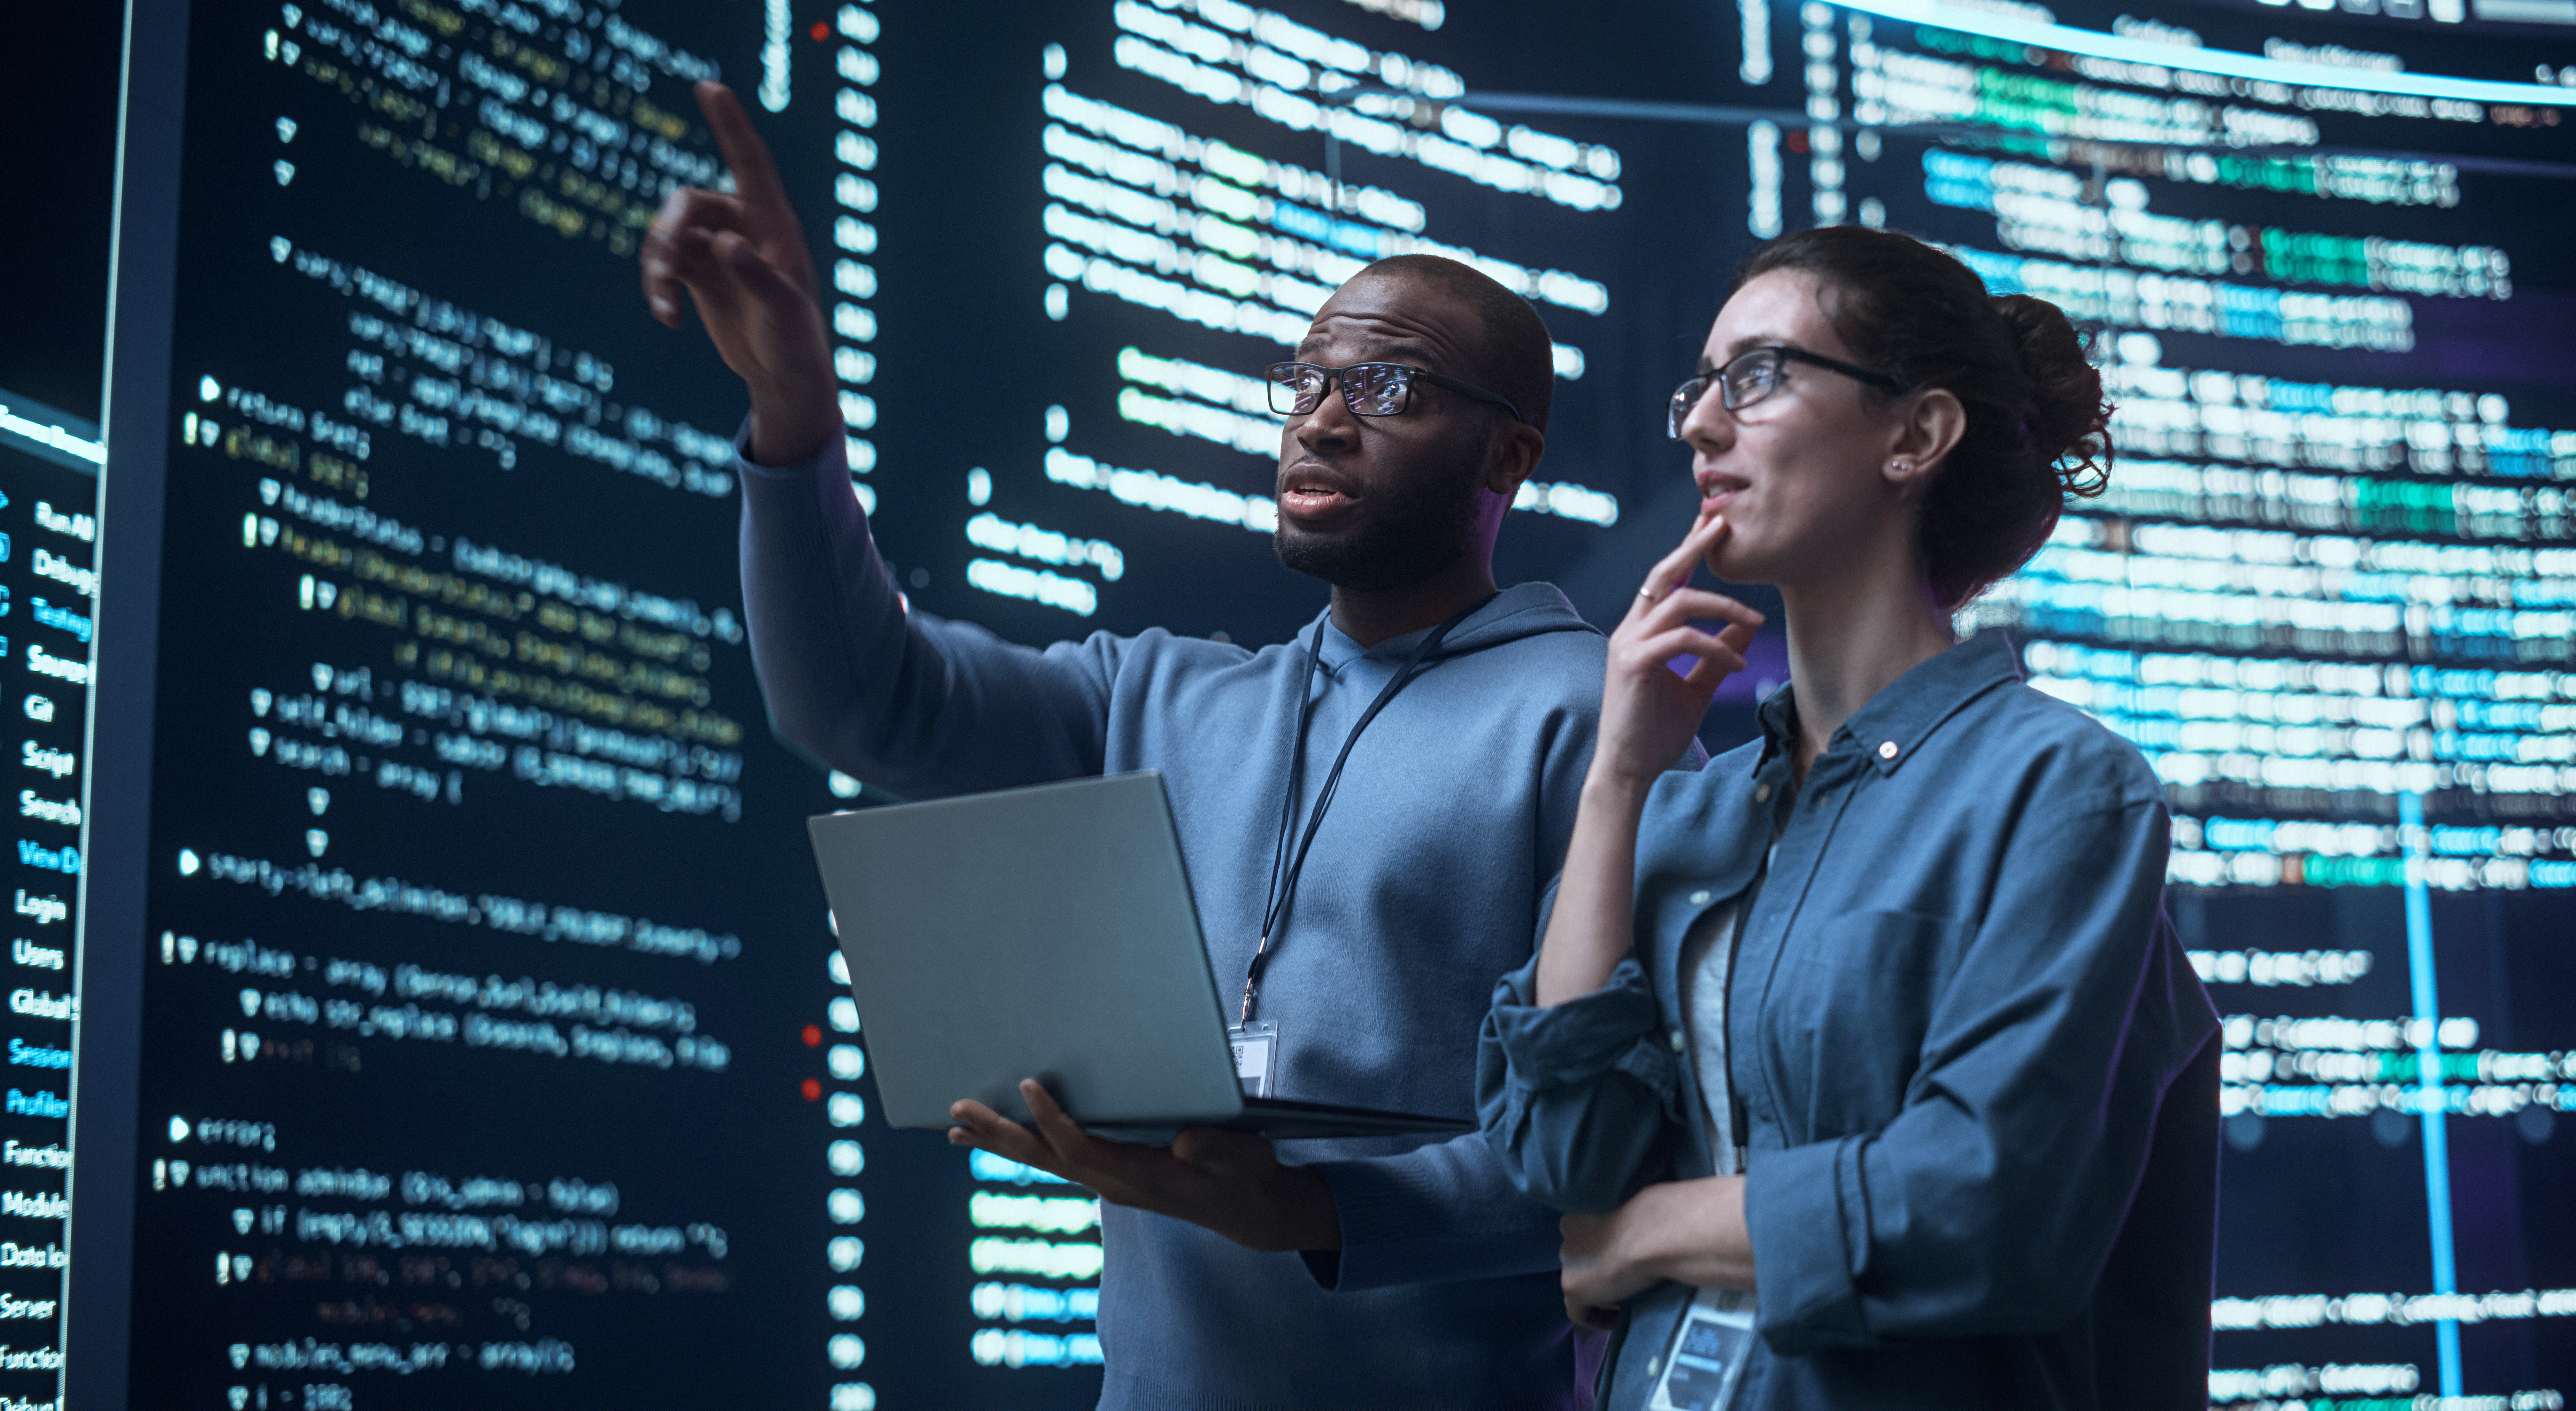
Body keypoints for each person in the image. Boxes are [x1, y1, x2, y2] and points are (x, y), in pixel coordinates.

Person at [643, 80, 1658, 1407]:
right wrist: (794, 404)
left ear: (1506, 454)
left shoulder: (1597, 712)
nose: (1321, 417)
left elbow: (1627, 1147)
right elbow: (855, 703)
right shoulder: (1156, 694)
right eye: (1307, 378)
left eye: (1388, 384)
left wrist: (1316, 1205)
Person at [1475, 225, 2221, 1409]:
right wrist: (1618, 781)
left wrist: (1652, 1228)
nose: (1700, 425)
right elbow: (1565, 1158)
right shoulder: (1688, 806)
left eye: (1758, 376)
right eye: (1701, 385)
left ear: (1917, 435)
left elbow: (1987, 1208)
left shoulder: (2058, 785)